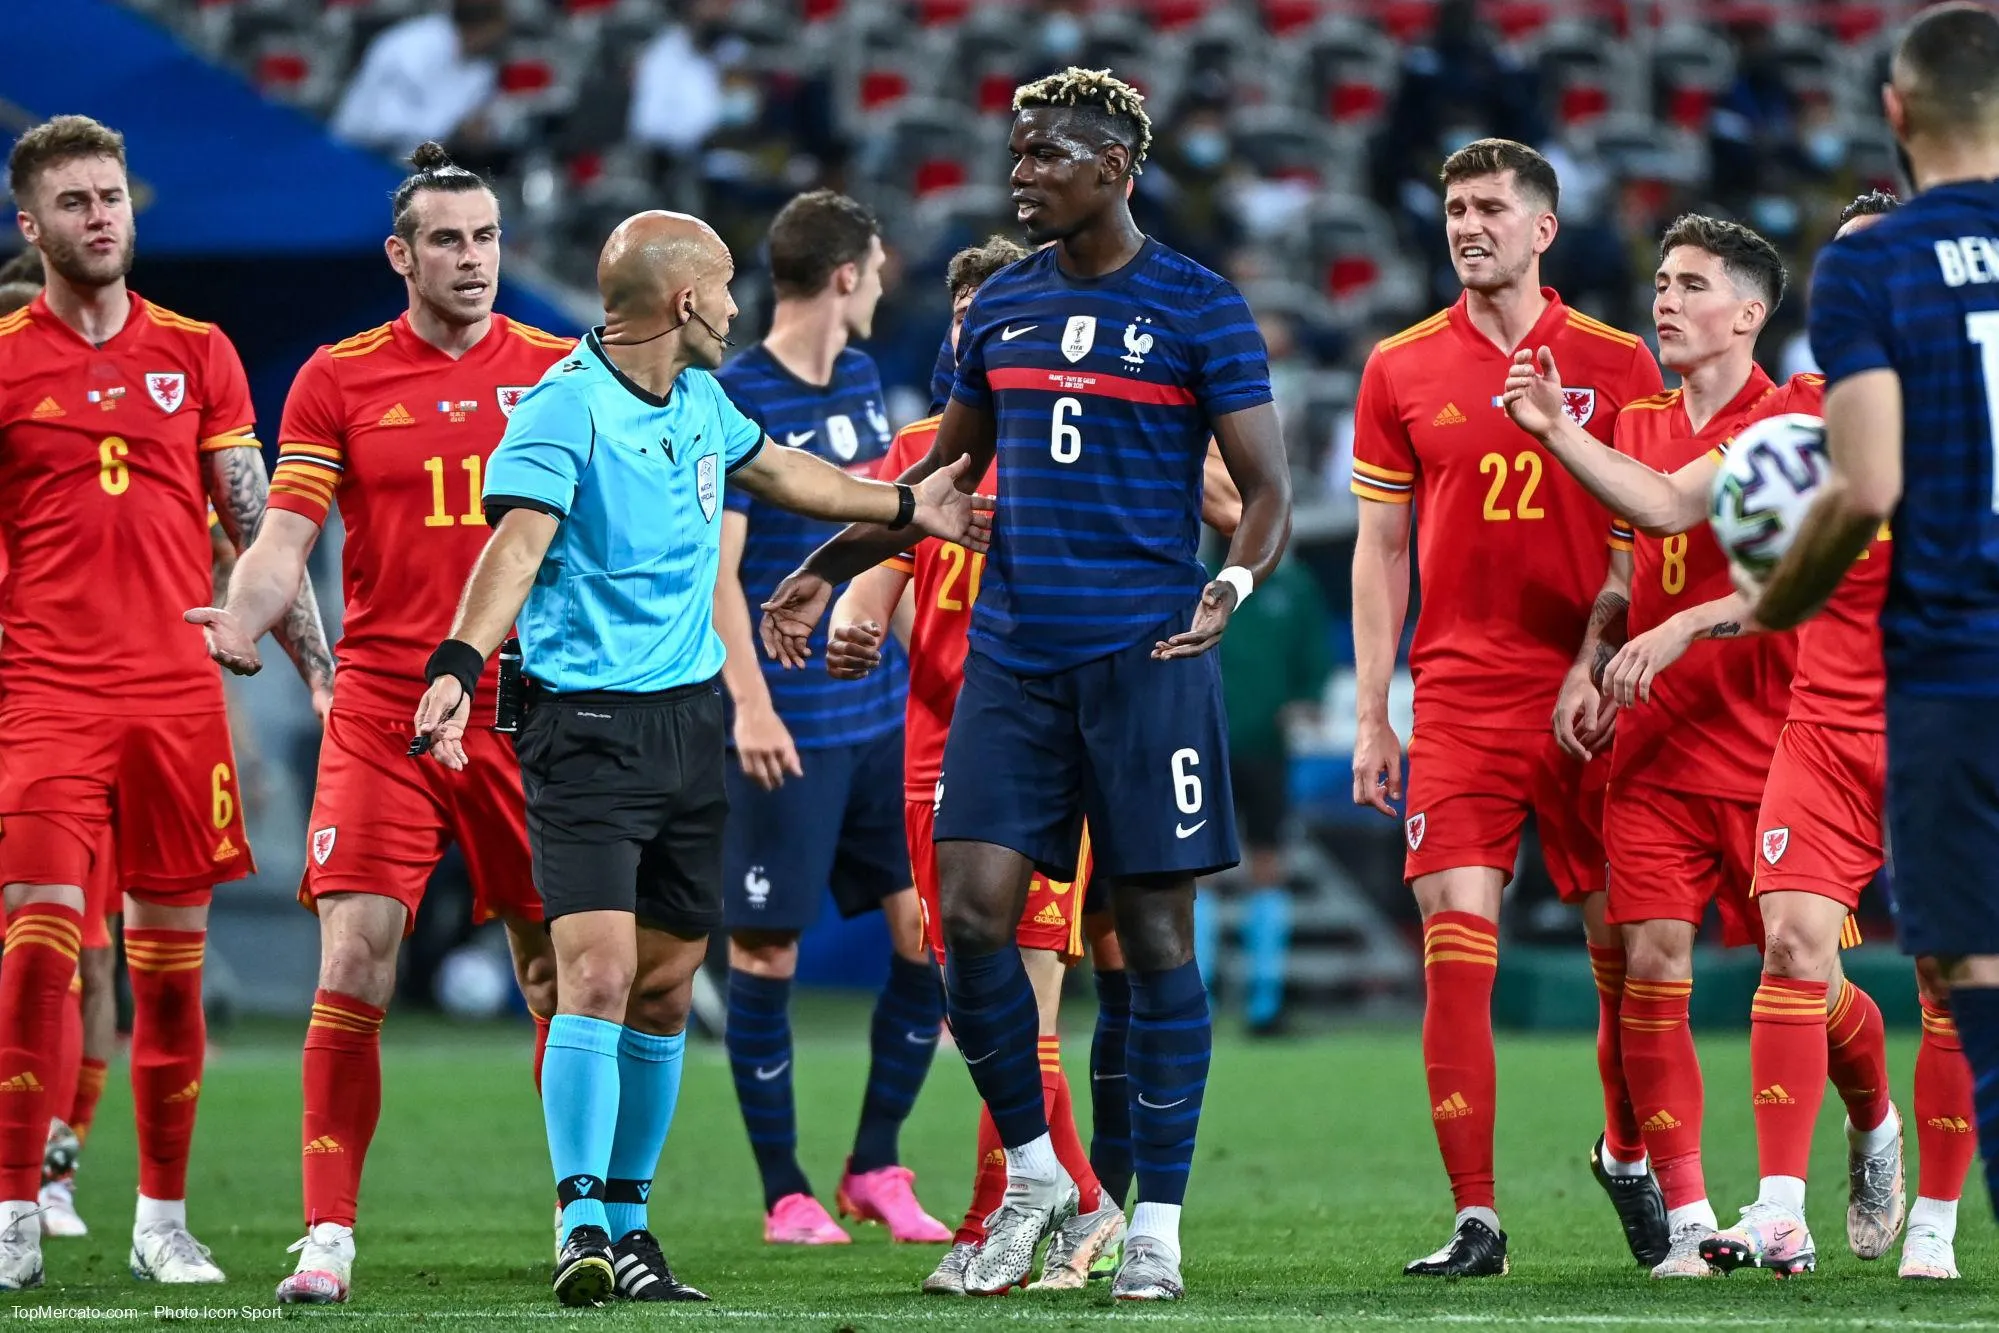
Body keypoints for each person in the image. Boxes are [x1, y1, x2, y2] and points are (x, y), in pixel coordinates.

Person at [758, 67, 1294, 1301]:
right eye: (1015, 152)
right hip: (1013, 661)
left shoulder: (1200, 309)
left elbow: (1264, 491)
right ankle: (1041, 1175)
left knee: (1154, 941)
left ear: (1116, 167)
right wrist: (820, 573)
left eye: (1046, 154)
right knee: (973, 921)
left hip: (1149, 658)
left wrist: (1234, 586)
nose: (1019, 173)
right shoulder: (993, 310)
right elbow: (939, 486)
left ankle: (1155, 1218)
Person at [408, 209, 986, 1307]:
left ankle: (628, 1225)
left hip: (687, 729)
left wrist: (911, 507)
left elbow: (790, 476)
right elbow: (513, 549)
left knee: (670, 989)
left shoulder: (702, 402)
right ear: (683, 303)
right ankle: (579, 1217)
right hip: (581, 729)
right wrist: (454, 660)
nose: (736, 306)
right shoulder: (561, 410)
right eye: (723, 288)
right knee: (599, 973)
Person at [184, 143, 574, 1305]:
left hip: (530, 707)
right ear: (400, 255)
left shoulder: (561, 372)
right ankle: (327, 1233)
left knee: (554, 968)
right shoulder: (336, 377)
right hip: (385, 709)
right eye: (448, 240)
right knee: (354, 956)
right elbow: (287, 535)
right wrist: (244, 616)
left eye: (488, 237)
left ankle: (586, 1218)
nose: (474, 259)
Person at [1505, 213, 1903, 1278]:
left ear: (1749, 311)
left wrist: (1684, 623)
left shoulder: (1806, 417)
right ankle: (1687, 1221)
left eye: (1689, 284)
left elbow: (1752, 544)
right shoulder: (1636, 423)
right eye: (1661, 281)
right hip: (1654, 741)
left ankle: (1872, 1119)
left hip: (1778, 734)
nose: (1664, 302)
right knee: (1649, 964)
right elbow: (1631, 566)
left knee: (1804, 975)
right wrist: (1593, 657)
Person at [0, 114, 334, 1292]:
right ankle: (12, 1211)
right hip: (42, 691)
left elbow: (261, 528)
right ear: (31, 225)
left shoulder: (199, 353)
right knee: (40, 941)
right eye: (76, 203)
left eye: (113, 198)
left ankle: (160, 1217)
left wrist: (326, 674)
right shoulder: (1, 359)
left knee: (168, 969)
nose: (101, 218)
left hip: (178, 697)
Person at [1347, 137, 1665, 1278]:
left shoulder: (1620, 361)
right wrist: (1377, 713)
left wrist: (1602, 647)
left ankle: (1627, 1150)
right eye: (1452, 208)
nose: (1465, 225)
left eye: (1488, 208)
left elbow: (1646, 526)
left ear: (1543, 229)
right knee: (1454, 951)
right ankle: (1476, 1216)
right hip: (1461, 696)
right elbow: (1379, 549)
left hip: (1592, 696)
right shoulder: (1397, 367)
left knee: (1628, 957)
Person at [1750, 0, 1999, 1228]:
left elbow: (1868, 485)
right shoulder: (1783, 414)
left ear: (1899, 118)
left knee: (1962, 978)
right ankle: (1793, 1197)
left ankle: (1940, 1229)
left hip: (1942, 680)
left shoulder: (1875, 281)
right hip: (1849, 714)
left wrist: (1767, 597)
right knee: (1825, 948)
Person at [710, 190, 948, 1246]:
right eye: (880, 264)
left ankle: (875, 1164)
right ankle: (784, 1192)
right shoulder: (736, 395)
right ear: (847, 274)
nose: (887, 281)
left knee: (925, 933)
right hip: (783, 725)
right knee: (766, 956)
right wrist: (751, 704)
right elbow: (716, 574)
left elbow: (881, 545)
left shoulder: (857, 380)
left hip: (875, 718)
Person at [1195, 552, 1331, 1037]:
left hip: (1267, 747)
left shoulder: (1293, 586)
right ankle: (1196, 1000)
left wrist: (1307, 698)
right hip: (1205, 740)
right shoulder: (1201, 578)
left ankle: (1264, 1003)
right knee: (1200, 869)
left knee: (1267, 867)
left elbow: (1314, 656)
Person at [330, 0, 507, 160]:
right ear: (481, 29)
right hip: (356, 150)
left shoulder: (482, 68)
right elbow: (383, 121)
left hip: (408, 165)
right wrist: (457, 129)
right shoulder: (412, 47)